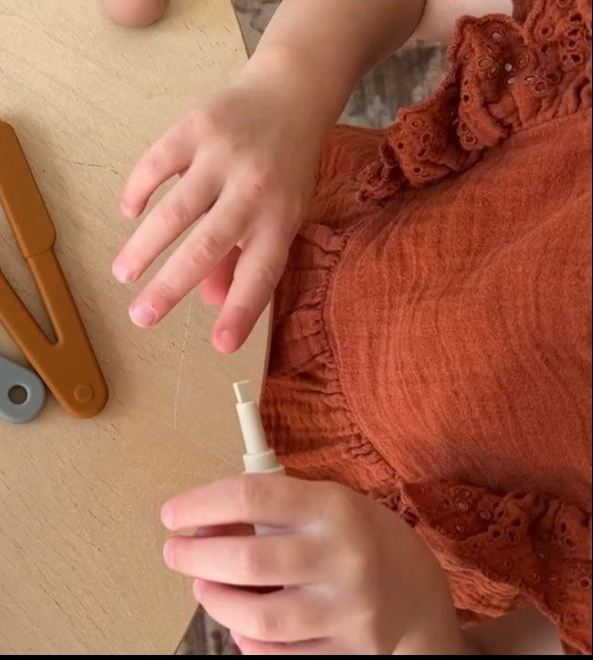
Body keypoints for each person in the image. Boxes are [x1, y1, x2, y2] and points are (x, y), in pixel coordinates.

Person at [106, 0, 592, 654]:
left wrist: (416, 628)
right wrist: (289, 81)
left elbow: (522, 637)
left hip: (272, 530)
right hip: (224, 215)